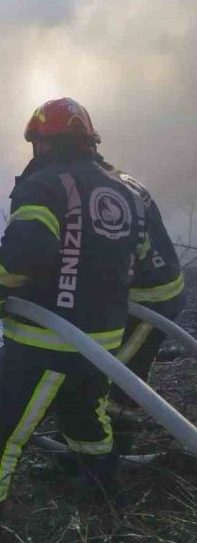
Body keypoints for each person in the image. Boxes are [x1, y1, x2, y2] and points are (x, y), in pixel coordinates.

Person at [0, 98, 149, 543]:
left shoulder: (45, 185)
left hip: (48, 337)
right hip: (101, 338)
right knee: (84, 413)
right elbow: (131, 262)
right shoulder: (121, 191)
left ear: (43, 142)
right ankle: (102, 490)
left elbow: (28, 246)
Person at [98, 162, 185, 450]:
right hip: (153, 285)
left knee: (114, 375)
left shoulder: (102, 193)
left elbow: (109, 255)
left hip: (152, 299)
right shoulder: (119, 178)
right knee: (122, 367)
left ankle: (110, 454)